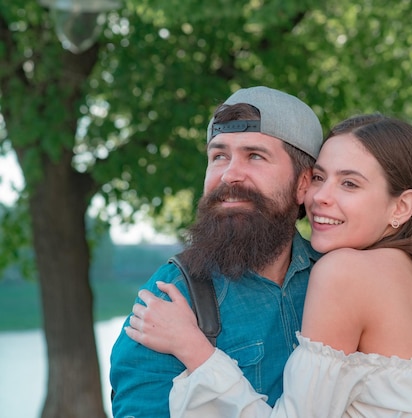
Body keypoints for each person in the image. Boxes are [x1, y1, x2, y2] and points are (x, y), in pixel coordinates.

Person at [127, 114, 412, 417]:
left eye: (350, 184)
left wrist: (195, 350)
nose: (320, 197)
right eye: (320, 178)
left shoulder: (344, 272)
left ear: (401, 206)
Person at [109, 86, 324, 417]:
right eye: (219, 156)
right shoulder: (172, 296)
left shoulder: (334, 278)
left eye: (255, 156)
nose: (230, 174)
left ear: (303, 184)